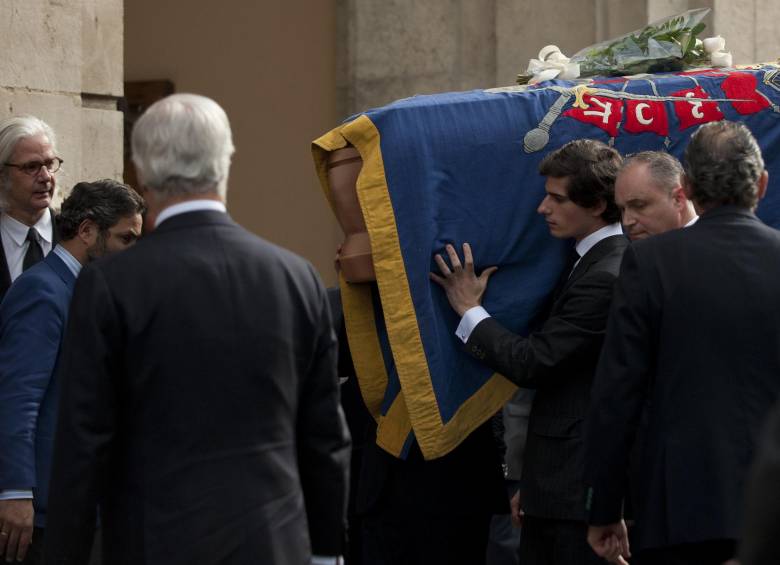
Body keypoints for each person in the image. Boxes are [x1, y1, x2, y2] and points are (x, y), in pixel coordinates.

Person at [42, 94, 351, 565]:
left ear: (141, 174)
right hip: (272, 544)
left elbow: (83, 447)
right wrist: (327, 552)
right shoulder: (295, 277)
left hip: (156, 544)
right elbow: (324, 437)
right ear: (224, 163)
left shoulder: (109, 284)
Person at [584, 121, 780, 565]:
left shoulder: (649, 263)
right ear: (762, 184)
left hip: (683, 511)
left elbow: (618, 394)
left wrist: (603, 507)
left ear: (687, 188)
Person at [431, 139, 628, 565]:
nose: (543, 209)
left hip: (576, 496)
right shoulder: (589, 259)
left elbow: (535, 363)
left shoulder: (607, 273)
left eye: (557, 199)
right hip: (555, 487)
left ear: (596, 204)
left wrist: (468, 308)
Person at [0, 179, 143, 564]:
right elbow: (18, 397)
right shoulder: (43, 292)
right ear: (86, 231)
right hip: (45, 512)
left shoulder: (89, 291)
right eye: (125, 239)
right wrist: (14, 491)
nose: (133, 252)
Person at [0, 116, 63, 300]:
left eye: (50, 164)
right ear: (2, 175)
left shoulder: (76, 236)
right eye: (32, 166)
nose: (46, 177)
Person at [614, 151, 697, 241]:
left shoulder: (710, 248)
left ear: (678, 199)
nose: (626, 222)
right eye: (622, 209)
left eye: (639, 206)